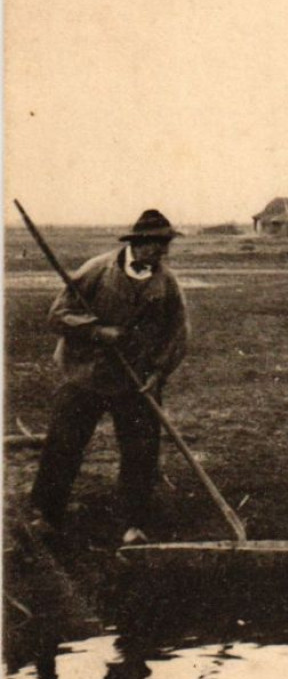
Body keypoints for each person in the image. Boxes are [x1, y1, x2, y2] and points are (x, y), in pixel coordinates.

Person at [30, 210, 189, 547]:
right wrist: (99, 331)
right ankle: (46, 515)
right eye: (158, 245)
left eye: (166, 245)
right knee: (64, 444)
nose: (164, 252)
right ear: (139, 243)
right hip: (85, 373)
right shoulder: (97, 270)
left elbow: (177, 331)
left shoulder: (167, 282)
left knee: (141, 450)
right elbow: (58, 316)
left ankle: (133, 524)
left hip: (137, 380)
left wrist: (159, 372)